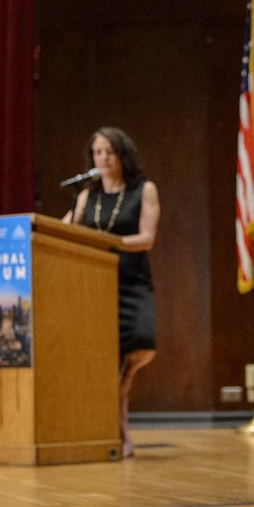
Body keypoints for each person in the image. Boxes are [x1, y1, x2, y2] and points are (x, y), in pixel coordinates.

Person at [62, 126, 161, 458]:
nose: (102, 158)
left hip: (131, 281)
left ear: (122, 155)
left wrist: (110, 242)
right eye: (97, 153)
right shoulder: (86, 195)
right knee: (107, 360)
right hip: (94, 285)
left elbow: (147, 239)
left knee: (141, 344)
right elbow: (65, 231)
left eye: (108, 152)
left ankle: (118, 413)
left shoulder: (143, 190)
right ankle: (118, 430)